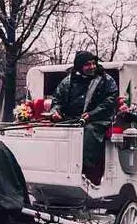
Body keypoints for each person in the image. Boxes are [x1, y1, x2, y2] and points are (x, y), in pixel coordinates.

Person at [50, 51, 118, 184]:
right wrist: (55, 111)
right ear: (80, 66)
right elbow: (56, 100)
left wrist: (91, 115)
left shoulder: (106, 80)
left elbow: (110, 101)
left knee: (89, 132)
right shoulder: (67, 81)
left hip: (98, 120)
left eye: (93, 63)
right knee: (56, 132)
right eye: (88, 64)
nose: (92, 67)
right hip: (72, 120)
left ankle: (89, 174)